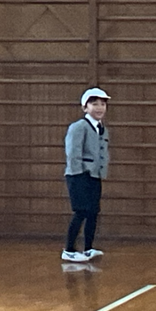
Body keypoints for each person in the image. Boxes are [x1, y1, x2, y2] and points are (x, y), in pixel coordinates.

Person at [62, 87, 110, 263]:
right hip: (79, 175)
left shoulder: (102, 129)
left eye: (102, 104)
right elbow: (73, 152)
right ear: (85, 107)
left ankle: (88, 248)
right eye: (94, 104)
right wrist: (78, 174)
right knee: (81, 211)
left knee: (93, 212)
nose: (99, 108)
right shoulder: (79, 127)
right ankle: (69, 249)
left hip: (94, 175)